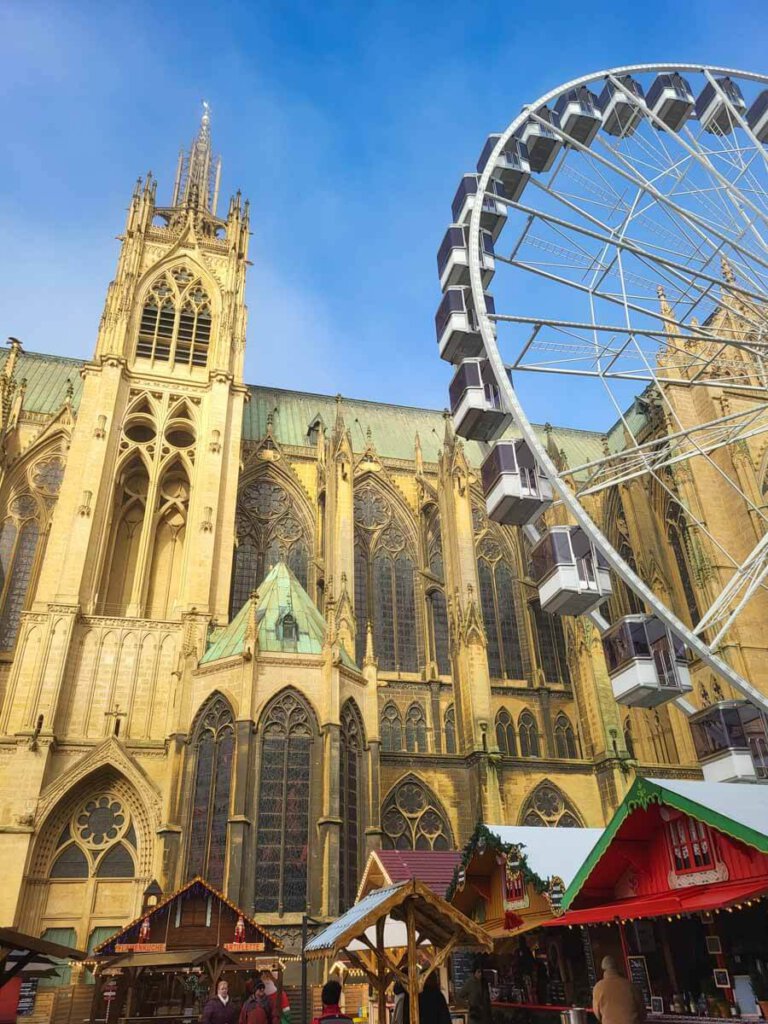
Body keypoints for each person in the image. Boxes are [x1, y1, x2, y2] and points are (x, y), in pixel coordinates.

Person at [592, 956, 646, 1024]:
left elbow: (597, 1014)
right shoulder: (631, 986)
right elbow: (643, 1013)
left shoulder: (598, 988)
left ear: (603, 969)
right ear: (617, 968)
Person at [460, 959, 492, 1024]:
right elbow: (459, 996)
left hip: (485, 1018)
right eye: (478, 972)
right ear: (474, 972)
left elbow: (487, 999)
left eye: (482, 972)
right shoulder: (470, 983)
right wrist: (468, 1005)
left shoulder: (484, 982)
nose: (480, 974)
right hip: (474, 1018)